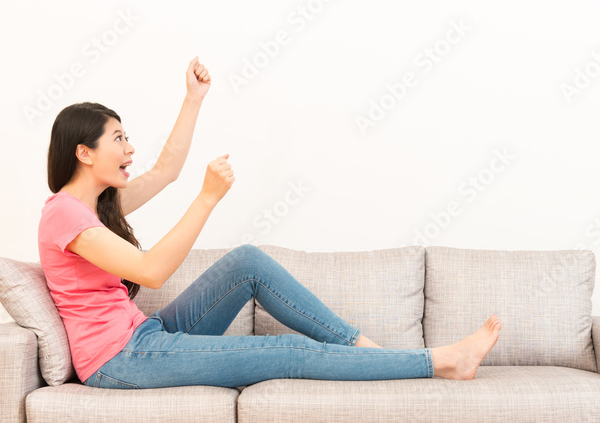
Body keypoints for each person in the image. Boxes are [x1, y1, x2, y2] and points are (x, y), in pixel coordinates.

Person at [37, 56, 501, 390]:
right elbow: (151, 270)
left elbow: (165, 170)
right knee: (281, 351)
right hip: (120, 360)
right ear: (84, 151)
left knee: (248, 263)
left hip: (142, 337)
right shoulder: (63, 214)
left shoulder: (95, 208)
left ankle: (369, 352)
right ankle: (440, 362)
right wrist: (207, 199)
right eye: (118, 138)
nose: (129, 149)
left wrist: (193, 99)